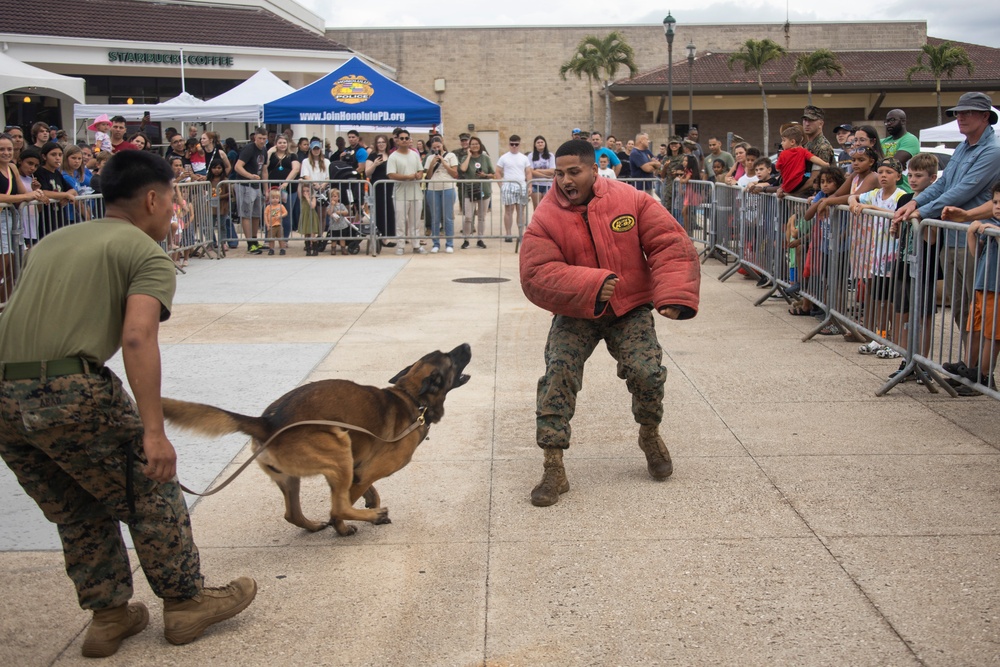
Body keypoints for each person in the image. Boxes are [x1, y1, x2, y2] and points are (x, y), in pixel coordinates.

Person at [0, 150, 257, 659]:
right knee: (150, 491)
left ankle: (109, 618)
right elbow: (138, 339)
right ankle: (186, 604)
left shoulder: (55, 239)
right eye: (176, 196)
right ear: (153, 198)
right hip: (69, 389)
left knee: (77, 506)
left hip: (4, 399)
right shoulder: (145, 253)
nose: (177, 207)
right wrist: (154, 431)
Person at [519, 139, 700, 507]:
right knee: (558, 375)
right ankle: (553, 465)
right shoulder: (546, 215)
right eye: (560, 173)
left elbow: (669, 243)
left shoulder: (630, 199)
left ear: (593, 168)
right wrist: (592, 285)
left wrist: (673, 295)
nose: (566, 180)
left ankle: (649, 434)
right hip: (578, 312)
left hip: (630, 308)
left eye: (574, 172)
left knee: (647, 372)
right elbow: (535, 271)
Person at [894, 93, 1000, 334]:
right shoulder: (963, 147)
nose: (960, 117)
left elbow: (964, 190)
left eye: (967, 112)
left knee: (979, 310)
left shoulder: (993, 151)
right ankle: (968, 367)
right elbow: (944, 184)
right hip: (952, 238)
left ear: (985, 116)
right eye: (958, 113)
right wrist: (915, 203)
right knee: (962, 310)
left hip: (976, 239)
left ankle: (979, 370)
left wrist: (921, 211)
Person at [886, 152, 939, 382]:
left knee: (924, 315)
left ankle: (922, 361)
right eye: (911, 175)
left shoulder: (935, 201)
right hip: (904, 261)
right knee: (904, 312)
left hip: (926, 264)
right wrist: (895, 229)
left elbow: (933, 238)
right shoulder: (904, 198)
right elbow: (898, 235)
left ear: (933, 178)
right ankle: (907, 359)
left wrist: (920, 219)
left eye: (919, 175)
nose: (914, 179)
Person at [0, 133, 47, 301]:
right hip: (2, 220)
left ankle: (6, 306)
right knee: (3, 263)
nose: (6, 152)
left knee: (14, 266)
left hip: (13, 220)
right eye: (2, 149)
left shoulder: (12, 168)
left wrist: (36, 192)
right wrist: (25, 197)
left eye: (9, 149)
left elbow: (22, 193)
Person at [231, 126, 269, 255]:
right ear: (255, 138)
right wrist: (249, 176)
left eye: (264, 138)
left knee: (256, 214)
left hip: (256, 185)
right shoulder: (249, 149)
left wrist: (266, 189)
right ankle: (249, 243)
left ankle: (254, 239)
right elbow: (238, 166)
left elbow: (264, 170)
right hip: (244, 184)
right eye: (260, 138)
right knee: (246, 213)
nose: (262, 141)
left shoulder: (264, 150)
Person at [386, 130, 425, 254]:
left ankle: (416, 245)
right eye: (401, 138)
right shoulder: (393, 156)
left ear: (409, 140)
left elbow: (420, 170)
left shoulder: (414, 154)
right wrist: (407, 177)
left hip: (416, 193)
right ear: (397, 140)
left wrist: (418, 175)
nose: (404, 140)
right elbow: (391, 174)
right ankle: (401, 246)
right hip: (400, 194)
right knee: (401, 221)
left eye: (406, 138)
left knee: (415, 221)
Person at [423, 135, 459, 253]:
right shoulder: (429, 158)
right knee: (435, 217)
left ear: (442, 144)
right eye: (434, 147)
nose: (436, 149)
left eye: (438, 146)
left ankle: (449, 243)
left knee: (448, 217)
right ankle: (436, 243)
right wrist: (433, 163)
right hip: (433, 189)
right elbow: (428, 176)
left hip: (448, 187)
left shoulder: (451, 156)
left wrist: (444, 162)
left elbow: (454, 173)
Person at [771, 125, 829, 197]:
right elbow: (813, 158)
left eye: (783, 140)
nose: (782, 143)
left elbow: (777, 168)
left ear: (792, 142)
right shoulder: (803, 151)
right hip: (800, 182)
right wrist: (825, 164)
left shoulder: (783, 154)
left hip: (787, 186)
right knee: (808, 175)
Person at [267, 135, 300, 254]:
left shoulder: (292, 155)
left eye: (284, 142)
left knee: (286, 213)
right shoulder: (271, 154)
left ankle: (284, 238)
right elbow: (264, 167)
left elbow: (296, 169)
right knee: (271, 213)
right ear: (276, 143)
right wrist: (269, 152)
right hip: (273, 189)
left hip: (289, 189)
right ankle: (269, 239)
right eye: (280, 142)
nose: (282, 144)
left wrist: (286, 182)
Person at [458, 136, 493, 249]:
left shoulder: (485, 158)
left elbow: (493, 174)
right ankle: (466, 239)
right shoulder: (465, 157)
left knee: (482, 217)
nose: (475, 146)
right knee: (468, 217)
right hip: (470, 191)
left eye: (477, 144)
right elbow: (463, 169)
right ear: (469, 146)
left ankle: (480, 239)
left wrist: (485, 175)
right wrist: (468, 155)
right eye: (472, 144)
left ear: (480, 145)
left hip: (484, 191)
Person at [496, 135, 532, 242]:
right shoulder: (504, 157)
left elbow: (528, 172)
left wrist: (529, 186)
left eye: (516, 144)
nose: (514, 146)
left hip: (521, 186)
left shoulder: (524, 158)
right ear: (509, 144)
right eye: (512, 144)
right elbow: (497, 172)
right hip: (508, 186)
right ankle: (508, 234)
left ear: (519, 144)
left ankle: (521, 234)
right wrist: (501, 186)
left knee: (521, 211)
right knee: (508, 211)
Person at [298, 138, 329, 256]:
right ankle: (309, 241)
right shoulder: (306, 161)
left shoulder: (326, 161)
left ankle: (319, 236)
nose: (316, 151)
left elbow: (328, 176)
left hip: (323, 189)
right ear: (311, 150)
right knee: (309, 215)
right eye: (314, 149)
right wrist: (315, 184)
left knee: (322, 214)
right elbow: (305, 175)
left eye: (318, 149)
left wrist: (323, 185)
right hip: (310, 189)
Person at [364, 134, 396, 247]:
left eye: (383, 142)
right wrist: (375, 164)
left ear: (386, 144)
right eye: (379, 142)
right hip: (376, 187)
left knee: (389, 210)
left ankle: (387, 236)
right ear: (376, 144)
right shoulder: (372, 156)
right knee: (378, 211)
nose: (381, 144)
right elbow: (367, 173)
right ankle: (379, 236)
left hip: (389, 187)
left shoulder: (391, 156)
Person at [881, 109, 920, 193]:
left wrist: (881, 162)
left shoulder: (910, 139)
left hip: (904, 191)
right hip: (883, 191)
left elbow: (893, 164)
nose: (888, 124)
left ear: (903, 121)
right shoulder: (883, 141)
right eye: (886, 121)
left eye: (892, 120)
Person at [529, 136, 556, 211]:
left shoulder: (550, 155)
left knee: (547, 207)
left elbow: (552, 171)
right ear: (535, 144)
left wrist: (537, 170)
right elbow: (531, 171)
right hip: (535, 184)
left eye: (542, 142)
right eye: (538, 142)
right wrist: (546, 176)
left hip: (547, 185)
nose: (540, 144)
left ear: (545, 144)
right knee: (537, 208)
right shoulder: (531, 155)